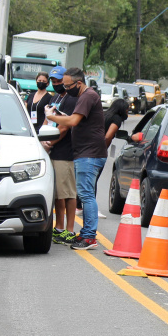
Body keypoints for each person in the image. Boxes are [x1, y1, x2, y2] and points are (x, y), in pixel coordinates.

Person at [49, 67, 106, 251]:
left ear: (78, 83)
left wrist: (52, 117)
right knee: (84, 193)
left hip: (90, 154)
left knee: (86, 194)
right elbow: (76, 120)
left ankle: (89, 236)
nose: (65, 89)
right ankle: (86, 233)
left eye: (67, 85)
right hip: (85, 153)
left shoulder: (88, 96)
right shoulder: (85, 96)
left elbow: (73, 121)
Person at [42, 66, 79, 245]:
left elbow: (65, 126)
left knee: (68, 193)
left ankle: (70, 229)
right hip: (52, 149)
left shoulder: (71, 99)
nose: (56, 84)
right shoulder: (56, 97)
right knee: (57, 193)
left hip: (65, 151)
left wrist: (50, 143)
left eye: (59, 82)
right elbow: (48, 119)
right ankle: (59, 226)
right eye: (54, 81)